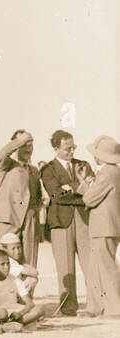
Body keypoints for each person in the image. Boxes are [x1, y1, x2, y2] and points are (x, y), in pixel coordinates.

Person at [40, 130, 95, 316]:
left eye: (73, 147)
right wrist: (79, 188)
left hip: (84, 219)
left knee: (91, 263)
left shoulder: (83, 164)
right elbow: (56, 195)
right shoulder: (48, 169)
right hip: (60, 222)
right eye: (66, 148)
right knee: (65, 267)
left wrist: (70, 190)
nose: (71, 151)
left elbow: (92, 189)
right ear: (56, 148)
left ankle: (96, 303)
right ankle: (69, 306)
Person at [0, 130, 41, 269]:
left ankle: (27, 291)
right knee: (6, 262)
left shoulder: (34, 170)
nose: (28, 148)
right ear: (15, 146)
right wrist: (19, 141)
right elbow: (4, 152)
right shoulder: (7, 164)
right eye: (24, 144)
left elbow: (37, 196)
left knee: (29, 262)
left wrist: (33, 213)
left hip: (29, 220)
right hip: (8, 218)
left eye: (30, 144)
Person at [80, 135, 120, 316]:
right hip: (109, 226)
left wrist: (85, 185)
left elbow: (89, 198)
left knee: (105, 267)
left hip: (103, 227)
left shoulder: (105, 174)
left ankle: (114, 307)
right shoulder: (115, 172)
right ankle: (95, 307)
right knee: (96, 266)